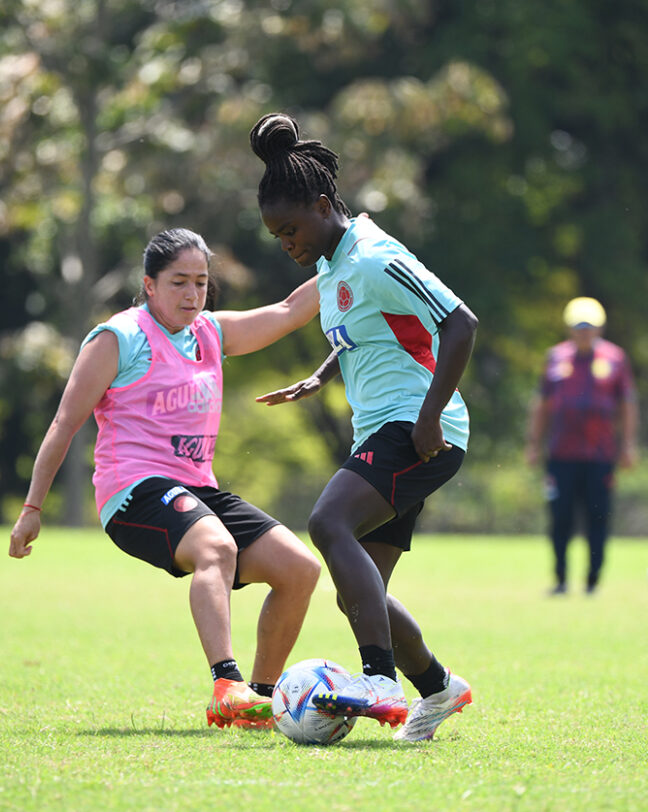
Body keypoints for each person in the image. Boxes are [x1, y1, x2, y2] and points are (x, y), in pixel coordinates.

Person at [9, 228, 322, 729]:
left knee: (300, 569)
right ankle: (227, 683)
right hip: (132, 491)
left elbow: (287, 311)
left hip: (197, 488)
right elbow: (65, 423)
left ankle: (257, 704)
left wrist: (344, 259)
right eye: (179, 282)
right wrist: (31, 510)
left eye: (200, 282)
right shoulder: (119, 337)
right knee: (215, 548)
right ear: (149, 284)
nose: (193, 294)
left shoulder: (210, 333)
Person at [248, 112, 478, 742]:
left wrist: (431, 415)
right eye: (277, 236)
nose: (287, 243)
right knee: (363, 593)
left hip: (419, 427)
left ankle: (378, 678)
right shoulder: (331, 265)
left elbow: (461, 323)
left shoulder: (374, 256)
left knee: (327, 523)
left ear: (324, 206)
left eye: (291, 229)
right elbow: (363, 328)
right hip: (383, 427)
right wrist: (323, 375)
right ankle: (437, 688)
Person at [524, 297, 638, 596]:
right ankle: (561, 580)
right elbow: (542, 405)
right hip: (561, 454)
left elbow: (627, 405)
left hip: (600, 456)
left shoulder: (615, 358)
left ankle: (592, 582)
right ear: (569, 329)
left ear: (599, 328)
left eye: (589, 327)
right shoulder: (555, 358)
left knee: (598, 518)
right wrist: (533, 444)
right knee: (560, 517)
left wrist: (628, 445)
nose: (584, 332)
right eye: (579, 327)